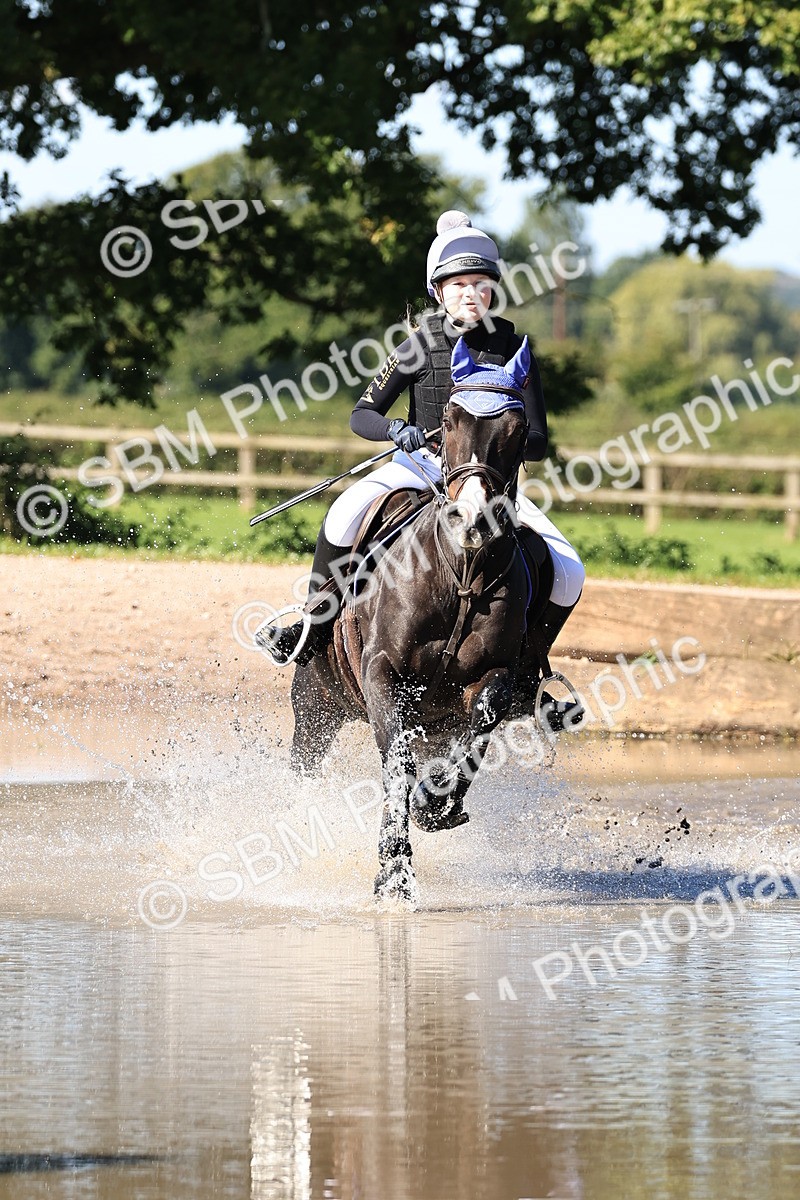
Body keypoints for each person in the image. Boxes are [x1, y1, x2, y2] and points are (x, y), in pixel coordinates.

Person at [259, 211, 585, 714]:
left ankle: (529, 677)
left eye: (481, 284)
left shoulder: (516, 349)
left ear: (494, 291)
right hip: (421, 466)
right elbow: (361, 414)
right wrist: (396, 430)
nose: (470, 294)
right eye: (459, 285)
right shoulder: (418, 344)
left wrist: (507, 440)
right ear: (439, 291)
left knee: (568, 571)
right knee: (345, 512)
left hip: (490, 483)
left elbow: (538, 439)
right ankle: (314, 625)